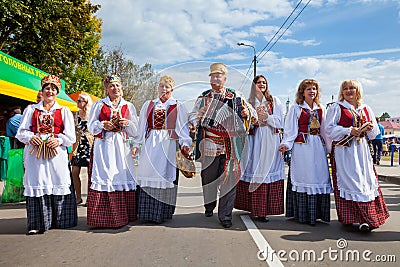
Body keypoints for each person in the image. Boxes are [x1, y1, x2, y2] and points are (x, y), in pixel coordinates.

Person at [190, 63, 256, 228]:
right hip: (210, 144)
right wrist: (198, 115)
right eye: (212, 76)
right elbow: (191, 118)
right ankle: (209, 205)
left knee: (229, 180)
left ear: (225, 79)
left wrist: (247, 115)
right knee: (208, 179)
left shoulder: (235, 95)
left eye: (218, 75)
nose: (215, 78)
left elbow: (253, 115)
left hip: (231, 145)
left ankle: (225, 216)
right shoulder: (203, 97)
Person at [15, 74, 77, 235]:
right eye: (47, 88)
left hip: (56, 156)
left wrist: (59, 140)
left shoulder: (64, 111)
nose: (50, 91)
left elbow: (71, 137)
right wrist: (31, 137)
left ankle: (61, 220)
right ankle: (38, 223)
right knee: (38, 182)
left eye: (53, 89)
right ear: (41, 91)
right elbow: (21, 132)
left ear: (57, 92)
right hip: (36, 155)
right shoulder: (31, 110)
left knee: (57, 181)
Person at [325, 79, 390, 232]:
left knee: (365, 181)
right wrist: (348, 130)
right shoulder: (337, 107)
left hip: (362, 151)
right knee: (351, 182)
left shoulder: (366, 108)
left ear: (358, 90)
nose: (348, 91)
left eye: (352, 88)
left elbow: (374, 135)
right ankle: (352, 217)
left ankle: (366, 219)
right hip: (344, 151)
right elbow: (329, 130)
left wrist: (370, 128)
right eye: (345, 88)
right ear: (342, 91)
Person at [132, 75, 192, 223]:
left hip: (168, 144)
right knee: (148, 173)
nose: (163, 89)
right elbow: (142, 127)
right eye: (161, 86)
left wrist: (185, 143)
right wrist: (136, 145)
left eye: (167, 87)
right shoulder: (149, 104)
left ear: (172, 89)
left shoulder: (177, 105)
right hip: (150, 143)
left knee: (165, 175)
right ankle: (146, 213)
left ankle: (163, 213)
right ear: (158, 88)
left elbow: (182, 128)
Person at [87, 74, 139, 228]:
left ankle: (124, 216)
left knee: (121, 175)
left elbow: (136, 130)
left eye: (117, 86)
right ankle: (102, 218)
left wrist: (128, 122)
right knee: (106, 175)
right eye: (112, 86)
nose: (115, 89)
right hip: (104, 145)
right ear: (107, 90)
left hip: (121, 146)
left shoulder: (128, 106)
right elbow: (91, 125)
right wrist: (103, 125)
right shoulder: (99, 105)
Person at [278, 79, 332, 226]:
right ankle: (302, 214)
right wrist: (286, 144)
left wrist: (330, 148)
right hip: (302, 146)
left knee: (318, 174)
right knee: (304, 175)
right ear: (302, 92)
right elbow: (290, 130)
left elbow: (325, 130)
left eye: (314, 89)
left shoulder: (321, 109)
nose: (312, 91)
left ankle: (318, 213)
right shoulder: (296, 109)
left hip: (317, 146)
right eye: (308, 89)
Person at [234, 75, 285, 222]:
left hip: (270, 139)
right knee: (254, 169)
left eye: (264, 82)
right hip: (254, 140)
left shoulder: (274, 101)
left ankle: (264, 210)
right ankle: (253, 207)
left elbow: (280, 122)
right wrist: (248, 118)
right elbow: (241, 125)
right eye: (258, 82)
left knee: (267, 171)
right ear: (254, 85)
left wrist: (266, 118)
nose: (261, 84)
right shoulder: (248, 102)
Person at [71, 93, 94, 205]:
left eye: (80, 101)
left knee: (90, 173)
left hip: (90, 145)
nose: (78, 103)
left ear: (86, 102)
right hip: (78, 146)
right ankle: (78, 197)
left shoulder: (92, 114)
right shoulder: (74, 115)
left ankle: (90, 197)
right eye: (78, 101)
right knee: (74, 171)